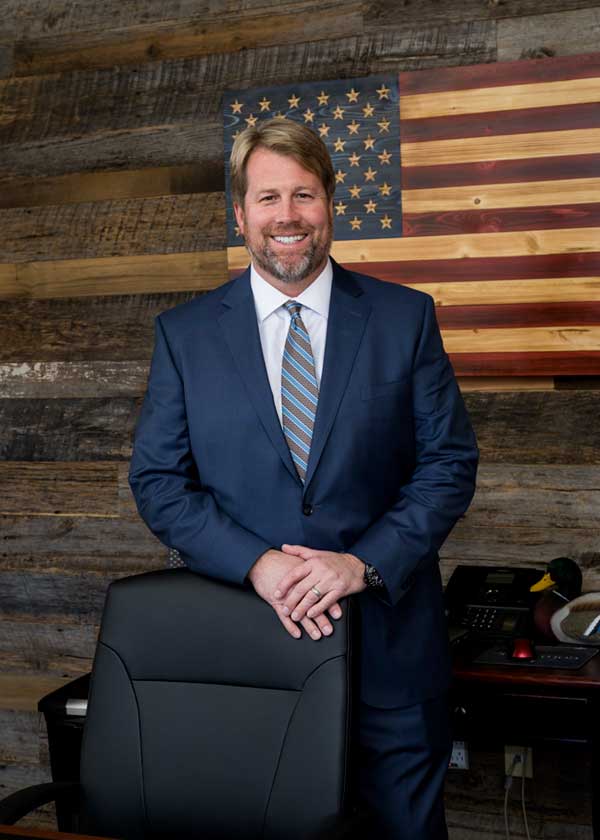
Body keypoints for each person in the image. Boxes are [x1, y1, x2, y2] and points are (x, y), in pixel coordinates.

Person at [129, 117, 478, 839]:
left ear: (330, 205)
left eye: (304, 195)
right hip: (251, 651)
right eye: (268, 198)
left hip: (392, 657)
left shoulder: (403, 318)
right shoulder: (185, 336)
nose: (287, 217)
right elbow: (160, 480)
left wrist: (361, 564)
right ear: (241, 213)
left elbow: (448, 463)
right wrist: (258, 565)